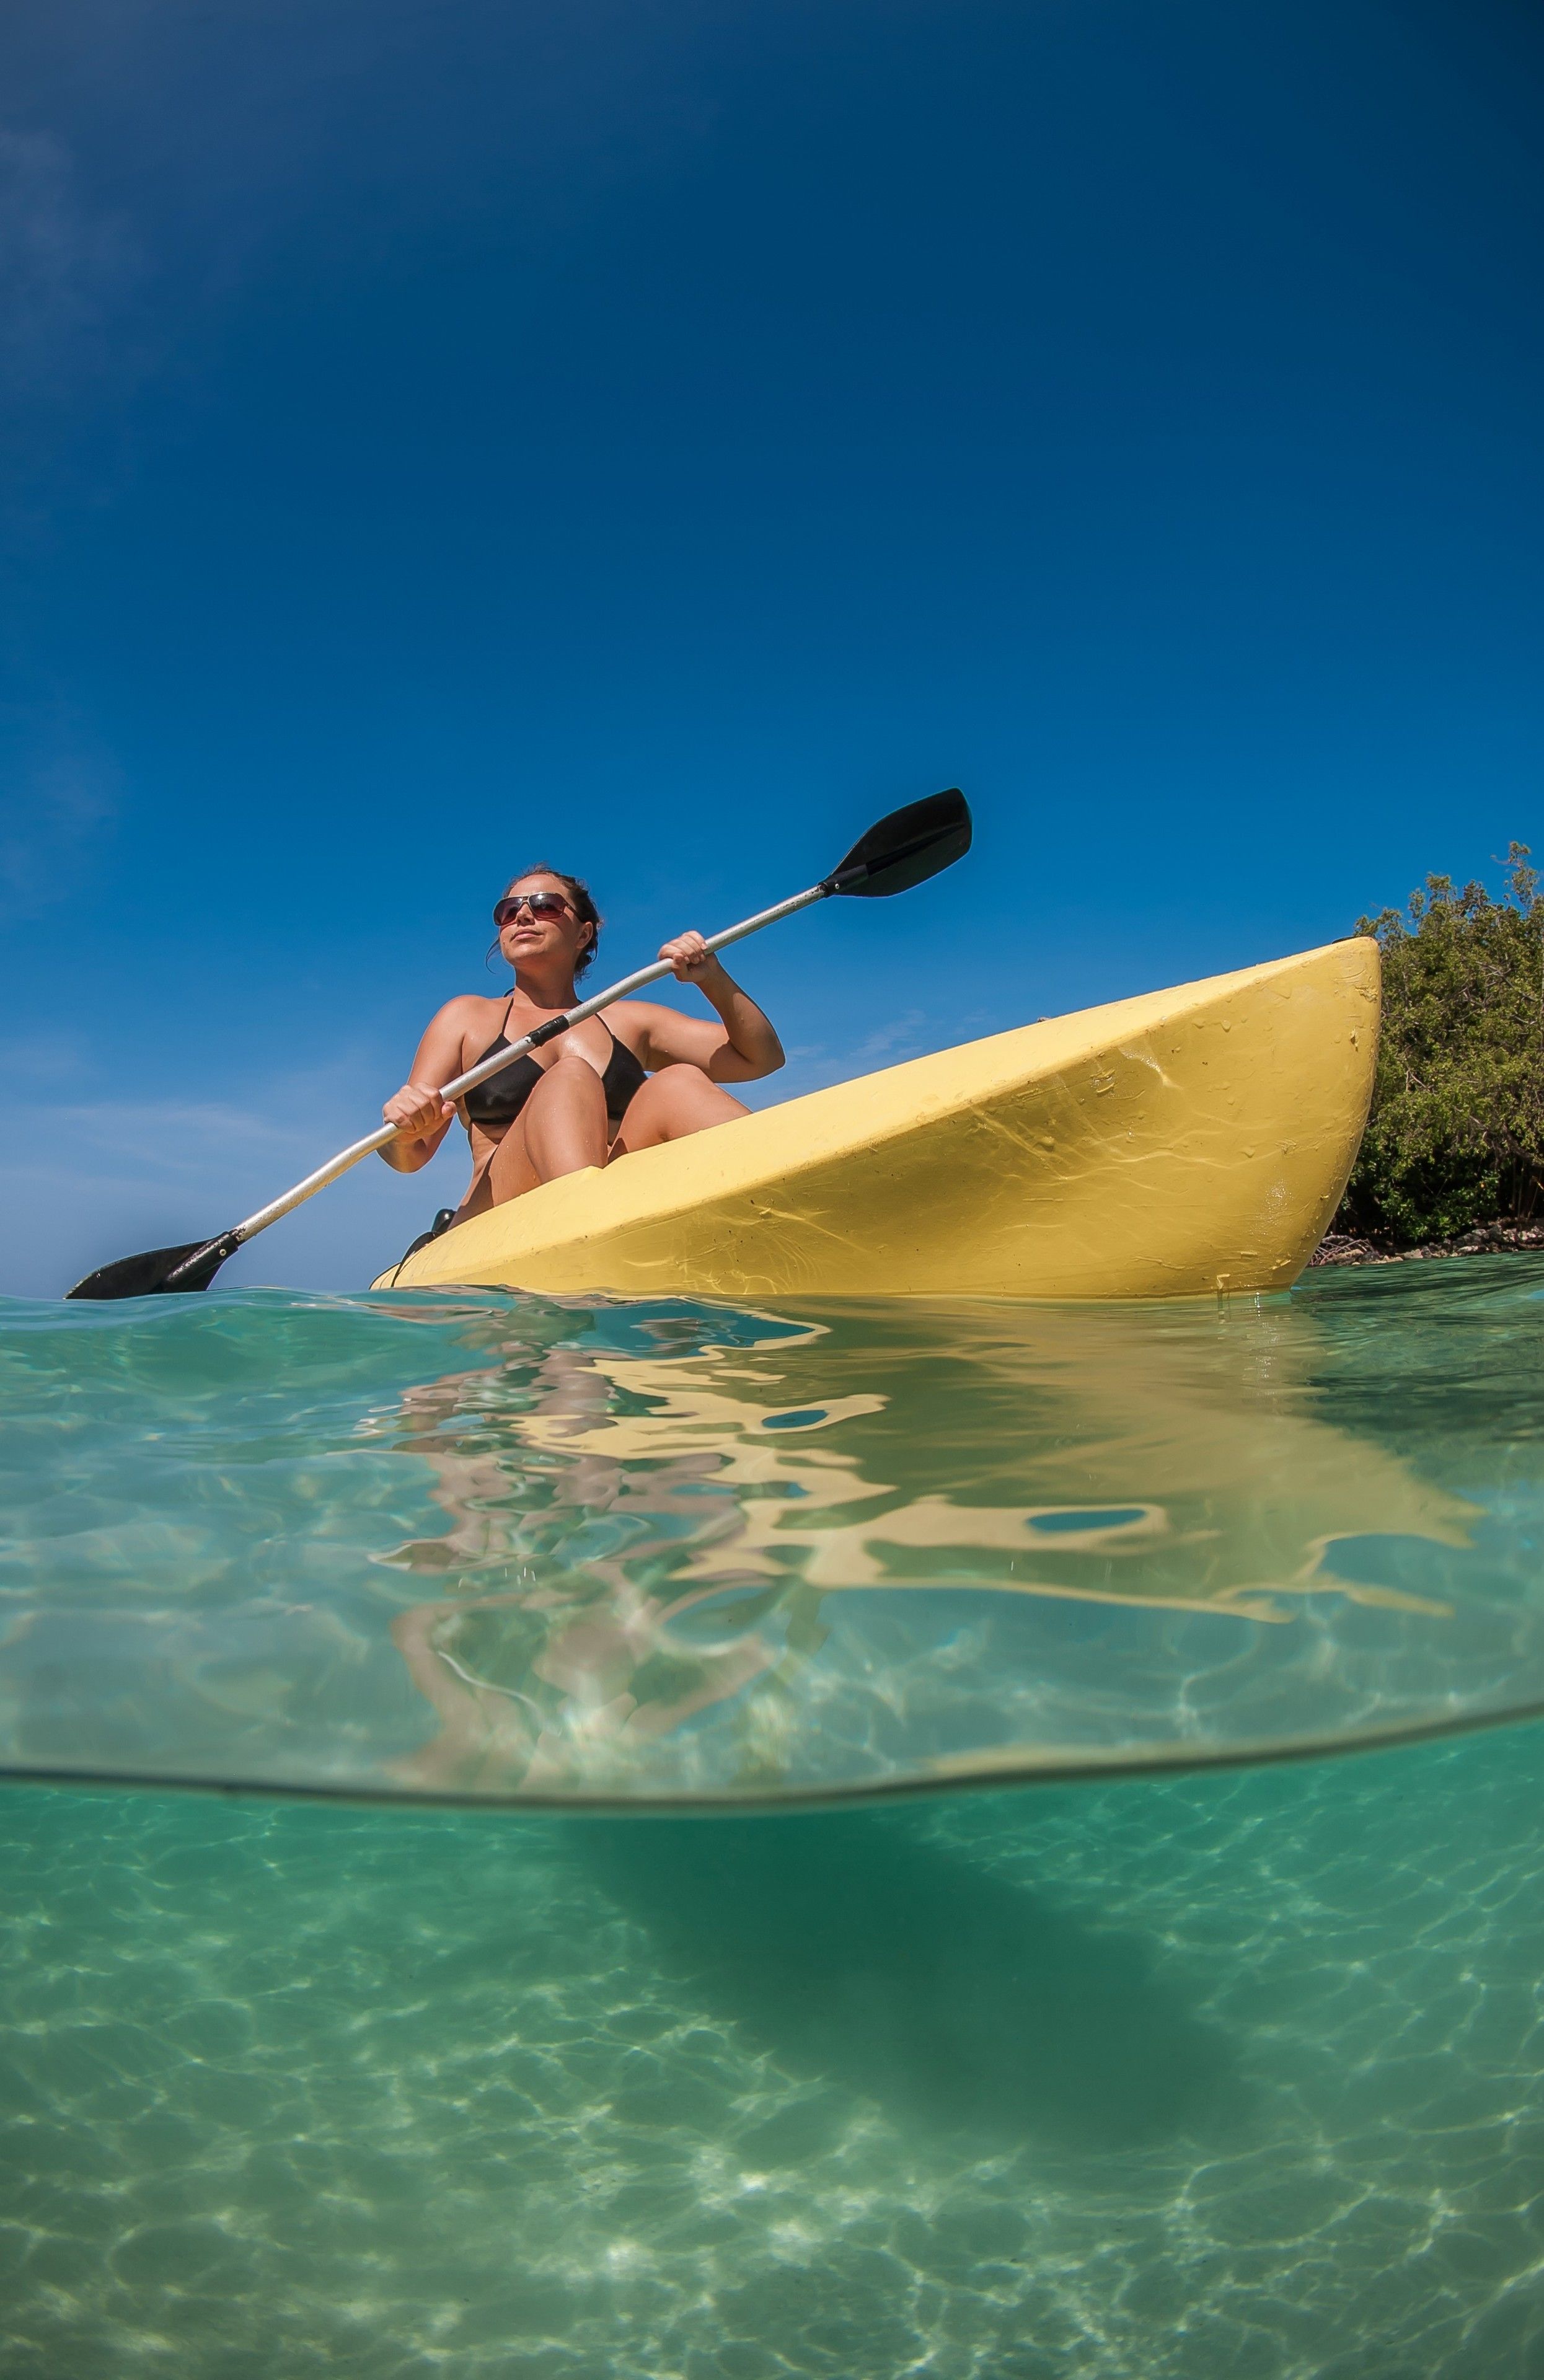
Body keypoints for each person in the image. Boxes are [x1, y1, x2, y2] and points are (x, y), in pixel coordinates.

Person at [379, 865, 785, 1217]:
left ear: (582, 933)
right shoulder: (466, 1017)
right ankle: (585, 1230)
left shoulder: (629, 1019)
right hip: (499, 1211)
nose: (522, 915)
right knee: (570, 1075)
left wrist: (711, 978)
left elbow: (759, 1059)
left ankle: (786, 1195)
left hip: (618, 1196)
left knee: (678, 1082)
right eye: (508, 911)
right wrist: (404, 1127)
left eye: (544, 905)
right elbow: (409, 1157)